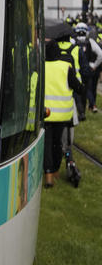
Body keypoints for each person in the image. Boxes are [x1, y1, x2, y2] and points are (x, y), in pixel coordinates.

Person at [43, 39, 82, 188]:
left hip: (46, 114)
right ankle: (55, 170)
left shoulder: (42, 67)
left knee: (47, 144)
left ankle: (48, 175)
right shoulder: (65, 67)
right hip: (62, 115)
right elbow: (78, 87)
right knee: (57, 143)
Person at [73, 22, 102, 115]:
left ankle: (80, 110)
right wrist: (94, 65)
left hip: (76, 70)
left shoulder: (73, 42)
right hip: (87, 69)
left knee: (76, 91)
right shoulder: (90, 42)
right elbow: (100, 54)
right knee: (88, 89)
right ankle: (88, 108)